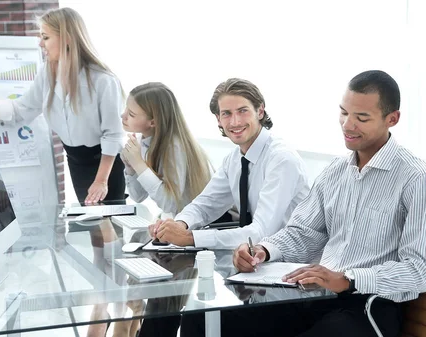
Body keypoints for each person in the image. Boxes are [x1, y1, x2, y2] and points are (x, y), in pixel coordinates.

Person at [183, 70, 426, 337]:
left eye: (361, 118)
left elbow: (418, 269)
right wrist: (263, 250)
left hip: (369, 306)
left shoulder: (414, 178)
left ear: (392, 119)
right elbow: (303, 232)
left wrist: (348, 279)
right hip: (316, 296)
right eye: (343, 113)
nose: (347, 125)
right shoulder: (336, 170)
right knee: (203, 320)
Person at [0, 7, 125, 205]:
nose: (40, 43)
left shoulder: (103, 81)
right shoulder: (47, 74)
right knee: (94, 228)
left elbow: (113, 135)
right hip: (76, 162)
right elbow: (19, 110)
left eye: (46, 37)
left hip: (106, 165)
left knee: (111, 228)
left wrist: (101, 181)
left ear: (66, 38)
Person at [150, 78, 310, 249]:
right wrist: (178, 225)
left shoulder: (281, 159)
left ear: (260, 111)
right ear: (218, 119)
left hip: (291, 263)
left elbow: (261, 232)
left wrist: (190, 237)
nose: (235, 122)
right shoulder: (234, 160)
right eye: (226, 113)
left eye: (242, 111)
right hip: (255, 260)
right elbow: (205, 205)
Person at [120, 82, 213, 217]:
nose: (123, 116)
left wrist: (139, 164)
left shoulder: (174, 147)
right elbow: (137, 197)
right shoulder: (143, 142)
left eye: (131, 114)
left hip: (199, 225)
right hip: (178, 220)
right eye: (126, 109)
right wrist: (131, 168)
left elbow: (170, 204)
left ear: (153, 122)